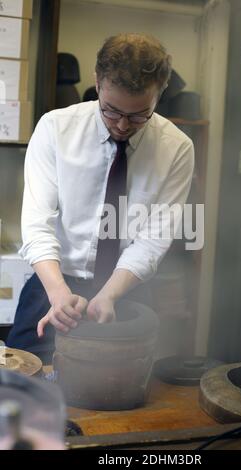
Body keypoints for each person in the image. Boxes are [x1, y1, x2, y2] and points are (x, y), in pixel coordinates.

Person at [7, 33, 194, 363]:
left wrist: (108, 295)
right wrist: (59, 294)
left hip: (126, 289)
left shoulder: (176, 149)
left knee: (122, 400)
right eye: (110, 110)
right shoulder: (54, 129)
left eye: (139, 115)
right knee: (23, 388)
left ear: (159, 94)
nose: (122, 125)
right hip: (53, 284)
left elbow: (153, 241)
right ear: (97, 80)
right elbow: (37, 224)